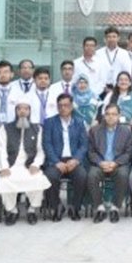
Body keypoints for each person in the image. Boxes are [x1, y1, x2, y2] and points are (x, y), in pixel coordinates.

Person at [0, 96, 51, 225]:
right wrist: (4, 167)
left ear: (30, 111)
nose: (23, 111)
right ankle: (12, 210)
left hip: (29, 165)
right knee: (5, 180)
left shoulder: (37, 128)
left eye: (26, 109)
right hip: (11, 165)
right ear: (15, 111)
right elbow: (0, 149)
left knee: (38, 178)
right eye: (20, 109)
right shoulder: (6, 128)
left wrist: (36, 164)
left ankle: (31, 210)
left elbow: (41, 150)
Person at [42, 94, 89, 222]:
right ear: (57, 107)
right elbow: (47, 144)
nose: (63, 108)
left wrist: (76, 160)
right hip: (56, 160)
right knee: (50, 176)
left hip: (73, 159)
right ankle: (57, 206)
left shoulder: (79, 122)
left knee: (82, 176)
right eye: (60, 106)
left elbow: (84, 145)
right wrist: (56, 162)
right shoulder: (49, 122)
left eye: (66, 105)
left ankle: (75, 207)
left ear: (72, 106)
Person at [87, 103, 132, 224]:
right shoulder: (95, 130)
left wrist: (115, 163)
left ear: (119, 116)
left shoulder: (126, 131)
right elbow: (91, 152)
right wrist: (100, 162)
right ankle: (99, 207)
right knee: (92, 176)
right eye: (108, 114)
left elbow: (128, 153)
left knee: (123, 175)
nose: (111, 117)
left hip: (117, 164)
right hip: (100, 163)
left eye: (114, 114)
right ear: (104, 116)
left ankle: (115, 207)